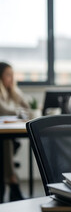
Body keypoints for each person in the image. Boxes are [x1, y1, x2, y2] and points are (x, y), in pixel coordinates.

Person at [0, 62, 28, 201]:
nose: (11, 78)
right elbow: (3, 110)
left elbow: (28, 107)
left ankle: (13, 185)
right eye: (7, 75)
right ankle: (12, 181)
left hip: (7, 136)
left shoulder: (11, 91)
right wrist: (20, 112)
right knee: (6, 141)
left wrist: (15, 91)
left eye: (12, 75)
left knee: (7, 141)